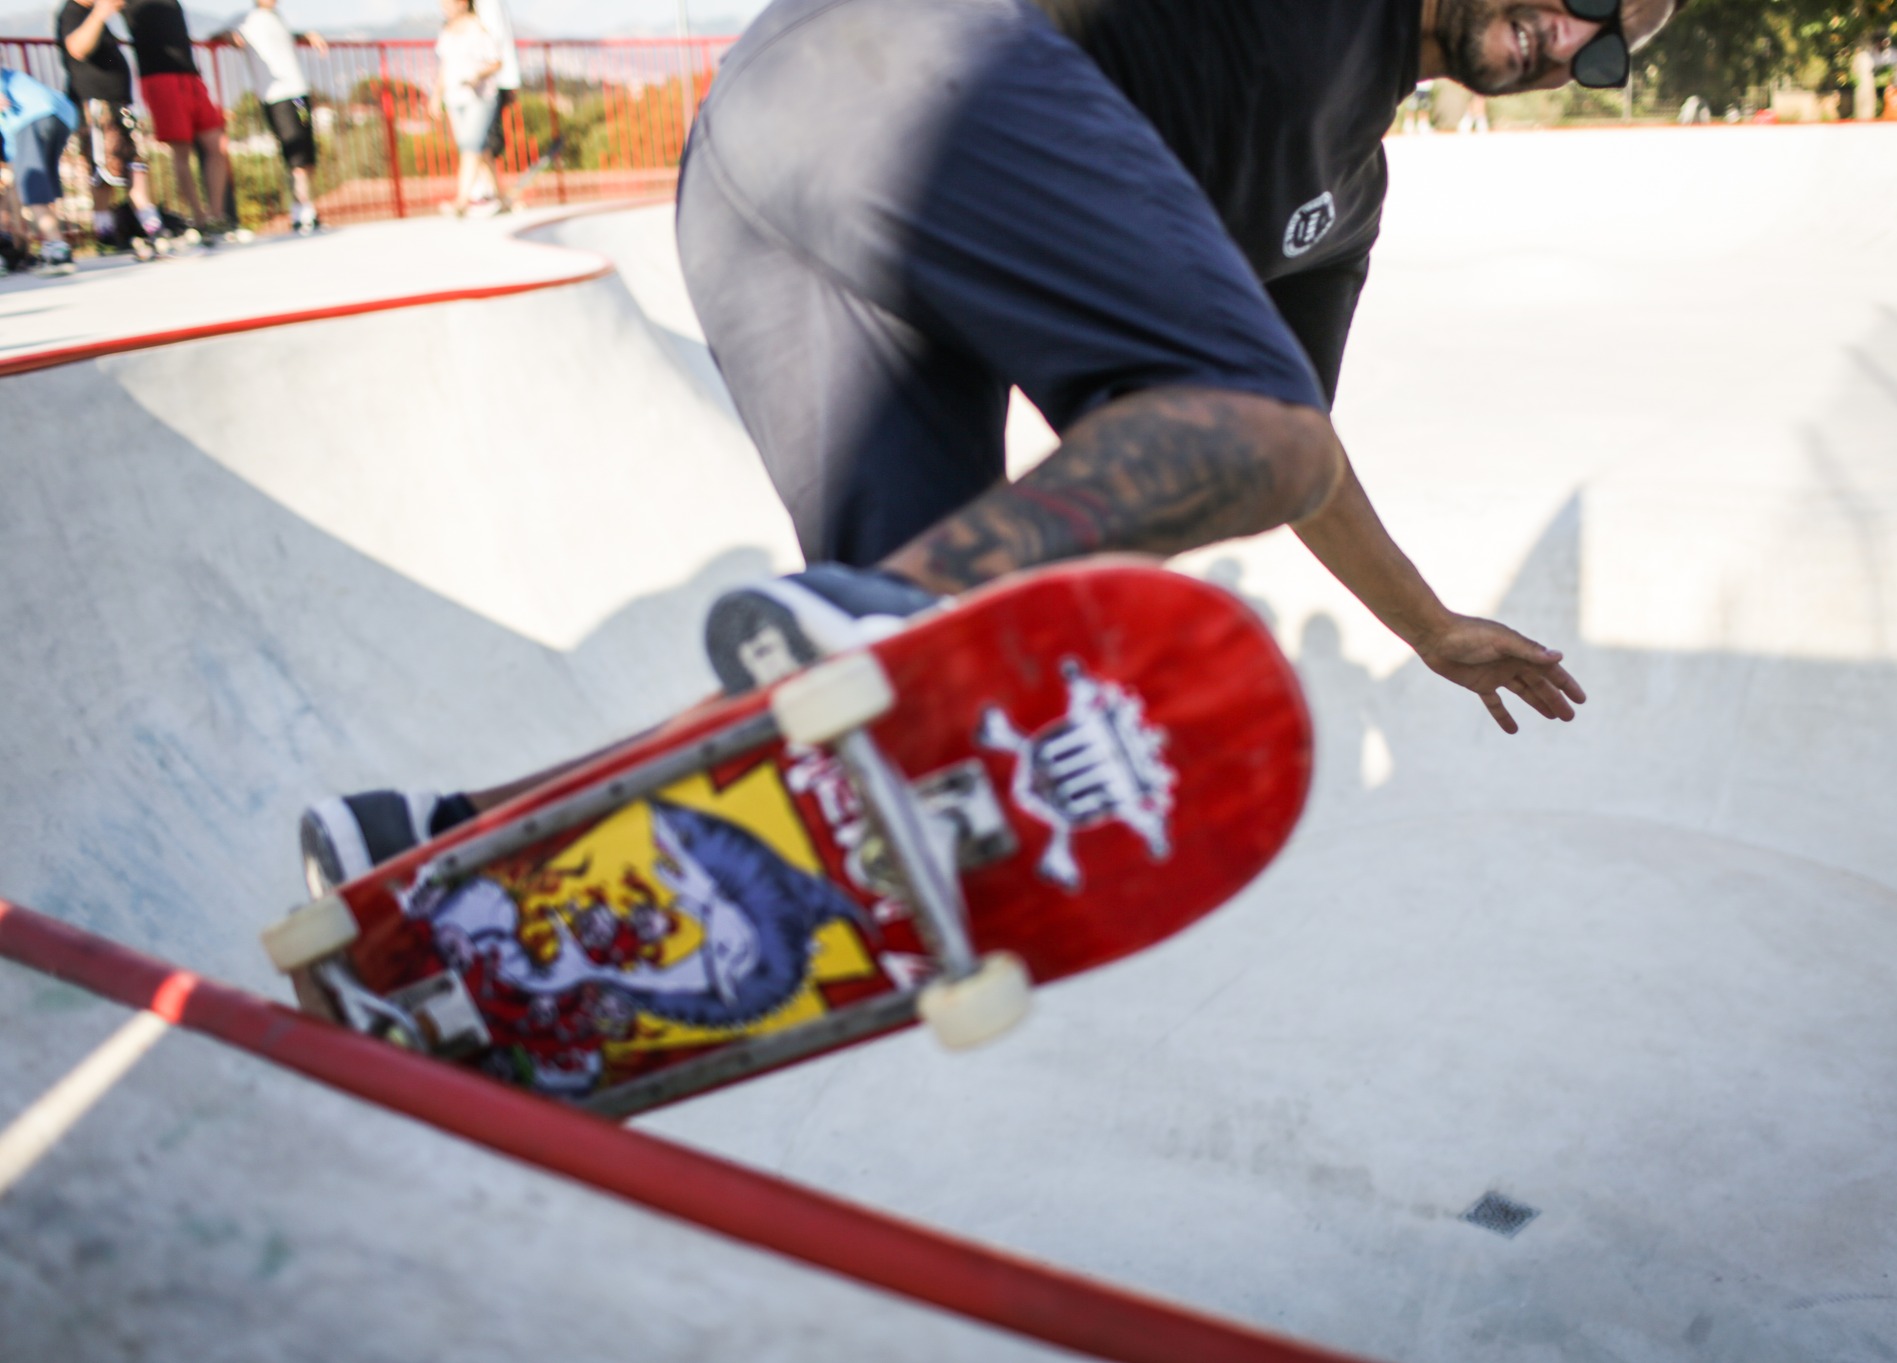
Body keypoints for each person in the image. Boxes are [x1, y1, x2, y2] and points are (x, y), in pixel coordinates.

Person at [301, 0, 1671, 887]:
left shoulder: (1345, 200)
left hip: (781, 198)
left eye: (1608, 47)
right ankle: (891, 611)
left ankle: (444, 853)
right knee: (964, 611)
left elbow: (1280, 445)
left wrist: (1424, 623)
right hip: (896, 60)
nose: (1570, 35)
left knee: (904, 704)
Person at [55, 0, 167, 258]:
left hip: (120, 104)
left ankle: (152, 227)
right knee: (104, 172)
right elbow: (77, 47)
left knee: (136, 167)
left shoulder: (92, 14)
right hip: (96, 104)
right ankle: (105, 234)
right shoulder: (71, 12)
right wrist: (100, 12)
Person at [214, 0, 328, 234]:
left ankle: (304, 207)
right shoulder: (244, 19)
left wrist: (307, 35)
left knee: (306, 155)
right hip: (275, 96)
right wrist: (230, 37)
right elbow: (219, 34)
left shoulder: (278, 17)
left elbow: (287, 37)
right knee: (294, 155)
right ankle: (302, 211)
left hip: (299, 92)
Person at [126, 0, 231, 240]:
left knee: (218, 146)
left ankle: (216, 215)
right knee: (181, 152)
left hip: (190, 76)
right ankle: (199, 217)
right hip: (159, 78)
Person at [0, 65, 80, 274]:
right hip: (61, 115)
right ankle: (51, 244)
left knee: (32, 184)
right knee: (41, 184)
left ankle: (57, 250)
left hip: (30, 118)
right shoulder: (13, 76)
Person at [431, 0, 503, 217]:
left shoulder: (478, 28)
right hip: (455, 97)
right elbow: (445, 67)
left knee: (470, 144)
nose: (443, 5)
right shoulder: (447, 31)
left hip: (480, 95)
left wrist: (477, 76)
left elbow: (497, 62)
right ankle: (501, 197)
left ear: (463, 3)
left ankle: (462, 201)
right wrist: (436, 95)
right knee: (478, 147)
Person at [470, 0, 519, 213]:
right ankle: (486, 191)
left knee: (485, 140)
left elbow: (499, 42)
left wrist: (510, 81)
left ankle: (489, 193)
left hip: (490, 83)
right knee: (476, 139)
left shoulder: (489, 5)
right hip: (478, 84)